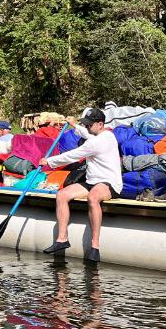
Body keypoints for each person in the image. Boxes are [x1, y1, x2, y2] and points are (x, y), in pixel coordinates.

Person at [40, 108, 121, 263]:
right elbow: (87, 134)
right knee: (62, 195)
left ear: (100, 124)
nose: (87, 128)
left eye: (89, 125)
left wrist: (49, 161)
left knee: (93, 197)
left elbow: (73, 155)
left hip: (109, 183)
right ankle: (62, 239)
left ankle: (95, 247)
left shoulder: (102, 140)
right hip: (91, 181)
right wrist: (74, 125)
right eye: (86, 125)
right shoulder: (98, 134)